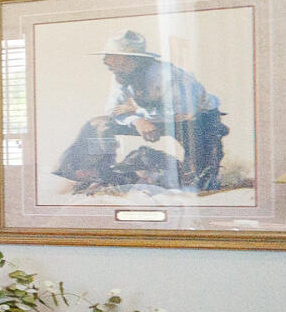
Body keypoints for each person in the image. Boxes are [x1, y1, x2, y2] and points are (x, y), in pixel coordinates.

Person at [51, 30, 231, 194]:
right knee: (98, 124)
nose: (105, 61)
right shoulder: (121, 75)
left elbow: (185, 113)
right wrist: (137, 120)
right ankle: (97, 173)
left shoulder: (167, 75)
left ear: (132, 59)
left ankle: (169, 167)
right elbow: (112, 109)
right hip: (154, 119)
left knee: (198, 185)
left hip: (197, 123)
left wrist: (139, 112)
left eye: (111, 56)